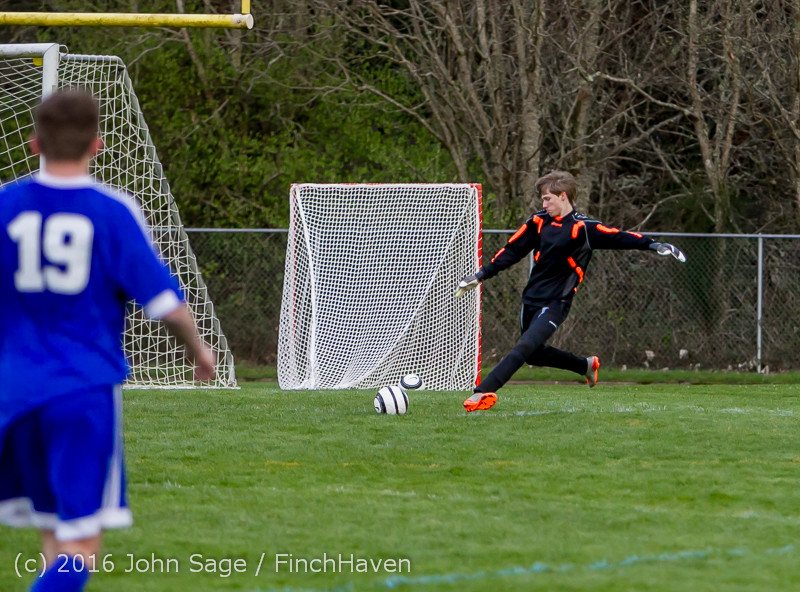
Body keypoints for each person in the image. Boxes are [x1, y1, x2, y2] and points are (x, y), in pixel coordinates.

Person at [0, 90, 215, 592]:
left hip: (12, 393)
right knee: (81, 549)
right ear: (97, 144)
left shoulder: (4, 206)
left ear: (34, 144)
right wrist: (198, 349)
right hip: (81, 391)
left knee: (53, 534)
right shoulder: (112, 211)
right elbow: (164, 304)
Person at [456, 170, 685, 412]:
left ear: (563, 196)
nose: (543, 204)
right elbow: (512, 251)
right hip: (530, 299)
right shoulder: (538, 221)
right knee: (533, 354)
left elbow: (619, 237)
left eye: (547, 199)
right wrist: (481, 275)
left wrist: (654, 244)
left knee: (523, 347)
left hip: (557, 302)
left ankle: (482, 392)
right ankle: (584, 366)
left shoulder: (583, 228)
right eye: (542, 199)